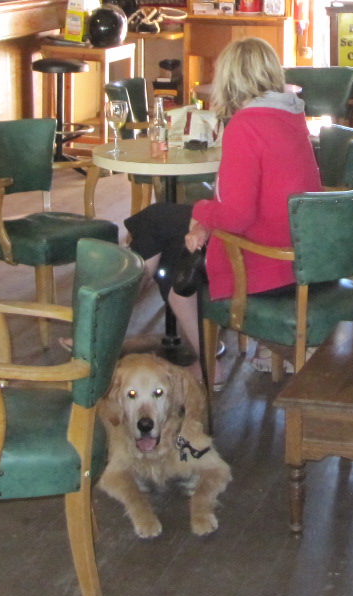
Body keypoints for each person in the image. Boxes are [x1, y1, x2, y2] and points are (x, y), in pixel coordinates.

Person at [123, 38, 322, 382]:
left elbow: (237, 216)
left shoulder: (247, 125)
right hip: (300, 252)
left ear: (229, 80)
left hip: (267, 259)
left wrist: (202, 214)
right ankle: (198, 359)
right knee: (164, 236)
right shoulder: (289, 115)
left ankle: (106, 329)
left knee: (160, 232)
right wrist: (203, 221)